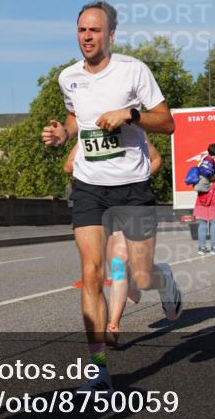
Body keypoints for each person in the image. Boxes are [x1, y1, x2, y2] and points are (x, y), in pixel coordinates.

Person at [41, 0, 180, 392]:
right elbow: (75, 119)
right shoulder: (68, 77)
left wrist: (131, 115)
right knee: (91, 274)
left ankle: (164, 280)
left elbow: (167, 122)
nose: (87, 36)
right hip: (88, 186)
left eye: (95, 30)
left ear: (111, 35)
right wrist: (62, 134)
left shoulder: (133, 71)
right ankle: (98, 365)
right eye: (82, 30)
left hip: (132, 187)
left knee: (139, 274)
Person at [63, 135, 160, 345]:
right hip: (101, 203)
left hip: (130, 199)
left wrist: (137, 174)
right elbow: (68, 166)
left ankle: (161, 278)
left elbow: (156, 159)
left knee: (140, 274)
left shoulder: (137, 133)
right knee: (117, 264)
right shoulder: (86, 137)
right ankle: (113, 325)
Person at [194, 143, 215, 254]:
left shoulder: (201, 162)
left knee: (203, 221)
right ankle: (214, 247)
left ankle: (202, 248)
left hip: (202, 194)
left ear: (208, 151)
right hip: (214, 193)